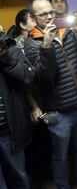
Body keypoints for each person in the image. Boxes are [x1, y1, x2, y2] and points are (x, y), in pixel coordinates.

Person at [24, 0, 77, 189]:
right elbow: (45, 76)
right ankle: (62, 185)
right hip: (59, 111)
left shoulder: (70, 32)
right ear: (34, 18)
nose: (50, 16)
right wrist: (47, 45)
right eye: (44, 14)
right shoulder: (31, 43)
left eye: (51, 12)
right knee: (60, 155)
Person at [0, 25, 35, 189]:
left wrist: (3, 55)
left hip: (8, 130)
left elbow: (28, 77)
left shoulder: (10, 48)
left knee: (19, 177)